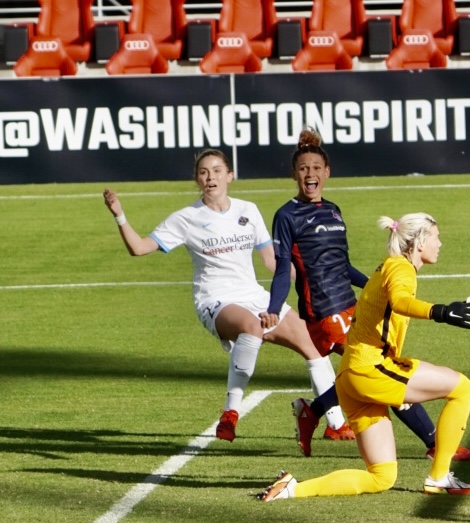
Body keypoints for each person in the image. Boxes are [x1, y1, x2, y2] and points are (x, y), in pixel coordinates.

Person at [261, 128, 470, 462]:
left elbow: (343, 264)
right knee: (379, 371)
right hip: (322, 310)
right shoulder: (286, 216)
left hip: (350, 304)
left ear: (327, 172)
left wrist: (376, 289)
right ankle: (434, 443)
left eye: (316, 168)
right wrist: (274, 307)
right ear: (294, 174)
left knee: (366, 373)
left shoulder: (333, 211)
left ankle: (313, 411)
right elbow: (282, 268)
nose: (310, 174)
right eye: (303, 168)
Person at [102, 148, 340, 442]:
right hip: (215, 300)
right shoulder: (186, 218)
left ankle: (336, 423)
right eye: (203, 172)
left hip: (253, 295)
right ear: (197, 180)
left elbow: (271, 261)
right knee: (251, 326)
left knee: (313, 344)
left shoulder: (248, 210)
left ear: (230, 176)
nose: (210, 177)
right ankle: (230, 413)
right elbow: (138, 248)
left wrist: (309, 275)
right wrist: (119, 215)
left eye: (216, 171)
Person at [257, 212, 470, 502]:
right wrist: (440, 312)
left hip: (351, 377)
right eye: (436, 237)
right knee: (462, 387)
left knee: (381, 477)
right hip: (370, 368)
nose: (440, 243)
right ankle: (440, 477)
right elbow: (401, 302)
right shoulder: (401, 268)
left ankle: (291, 489)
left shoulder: (390, 266)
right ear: (419, 242)